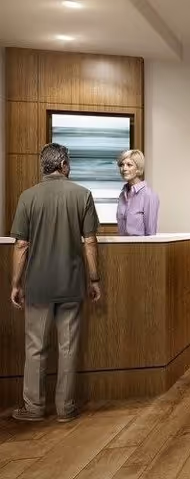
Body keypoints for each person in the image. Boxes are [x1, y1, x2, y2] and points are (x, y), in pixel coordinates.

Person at [9, 143, 101, 423]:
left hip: (37, 284)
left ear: (44, 166)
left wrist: (16, 282)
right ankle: (65, 408)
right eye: (69, 162)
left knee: (35, 345)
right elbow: (90, 242)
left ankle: (34, 408)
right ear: (63, 164)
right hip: (72, 284)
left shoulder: (28, 196)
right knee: (68, 345)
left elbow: (21, 245)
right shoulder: (82, 195)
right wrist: (94, 278)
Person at [116, 149, 160, 236]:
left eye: (129, 165)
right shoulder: (122, 195)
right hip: (122, 247)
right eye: (122, 165)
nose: (124, 168)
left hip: (140, 248)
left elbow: (151, 234)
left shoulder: (149, 195)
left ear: (138, 168)